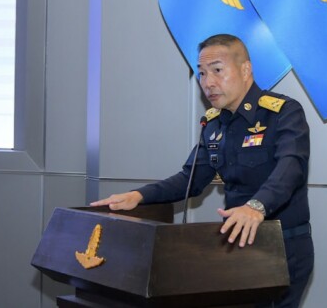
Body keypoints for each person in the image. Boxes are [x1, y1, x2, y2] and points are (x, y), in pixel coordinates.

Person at [91, 34, 314, 307]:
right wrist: (139, 196)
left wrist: (256, 206)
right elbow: (190, 179)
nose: (208, 82)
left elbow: (291, 167)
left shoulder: (282, 113)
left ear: (245, 70)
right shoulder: (215, 124)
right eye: (202, 73)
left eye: (217, 70)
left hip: (283, 249)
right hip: (236, 247)